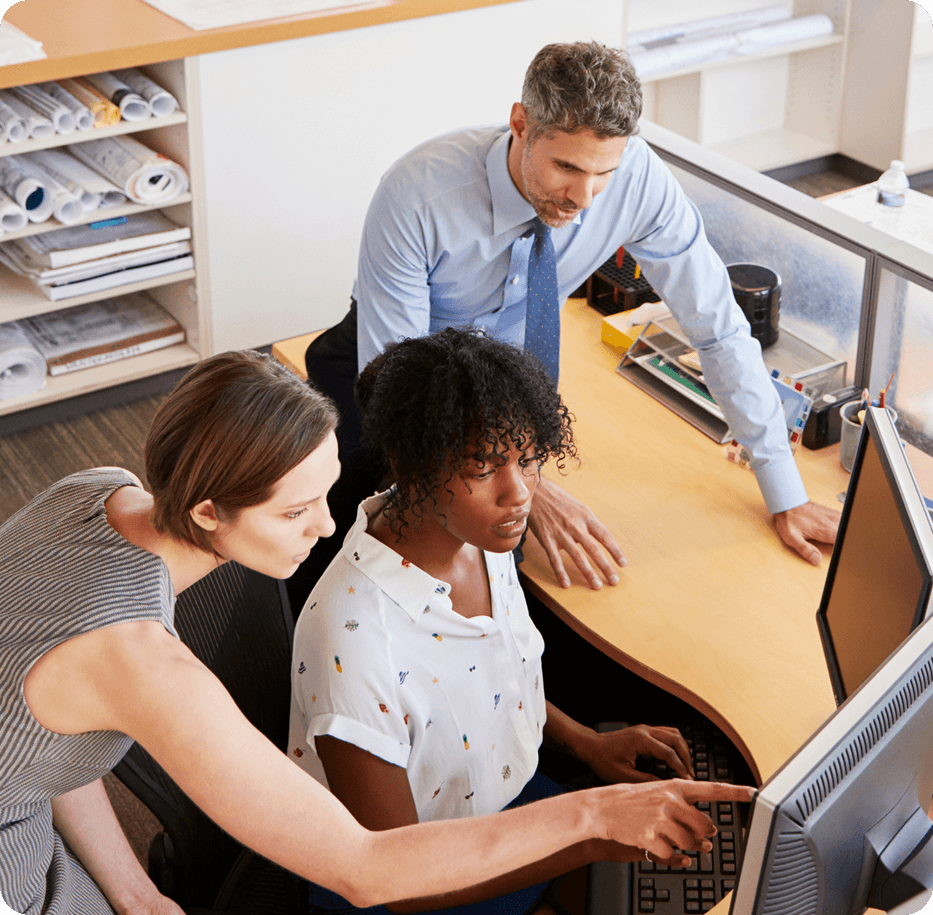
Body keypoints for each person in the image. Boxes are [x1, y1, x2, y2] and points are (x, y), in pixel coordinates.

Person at [0, 350, 752, 915]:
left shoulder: (96, 490)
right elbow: (362, 865)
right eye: (294, 513)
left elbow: (57, 725)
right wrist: (589, 816)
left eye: (325, 492)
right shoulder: (144, 664)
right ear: (206, 512)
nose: (327, 526)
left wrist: (135, 892)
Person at [297, 39, 839, 609]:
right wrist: (528, 486)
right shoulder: (418, 194)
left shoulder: (637, 181)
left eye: (604, 171)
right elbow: (400, 388)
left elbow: (718, 326)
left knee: (524, 570)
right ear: (520, 124)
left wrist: (784, 488)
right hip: (391, 374)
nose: (583, 196)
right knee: (368, 546)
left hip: (507, 382)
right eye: (567, 167)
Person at [288, 328, 736, 915]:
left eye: (529, 460)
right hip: (419, 879)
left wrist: (584, 743)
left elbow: (487, 678)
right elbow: (394, 879)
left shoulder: (482, 540)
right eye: (484, 466)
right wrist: (590, 836)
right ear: (414, 464)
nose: (519, 493)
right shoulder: (353, 642)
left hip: (508, 806)